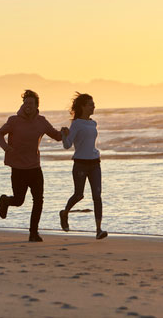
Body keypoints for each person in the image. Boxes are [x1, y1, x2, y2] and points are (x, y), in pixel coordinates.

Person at [0, 89, 64, 242]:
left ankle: (33, 233)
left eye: (31, 103)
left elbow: (57, 136)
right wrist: (5, 147)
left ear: (36, 105)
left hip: (35, 167)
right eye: (25, 103)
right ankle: (6, 201)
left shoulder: (42, 122)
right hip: (18, 168)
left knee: (38, 200)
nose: (28, 106)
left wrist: (66, 132)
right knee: (19, 201)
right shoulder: (14, 120)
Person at [59, 93, 107, 239]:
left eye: (93, 104)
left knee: (97, 196)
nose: (94, 106)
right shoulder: (77, 124)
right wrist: (63, 135)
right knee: (79, 194)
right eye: (90, 104)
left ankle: (98, 230)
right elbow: (67, 145)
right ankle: (65, 212)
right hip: (80, 163)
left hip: (95, 163)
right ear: (82, 107)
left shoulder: (93, 123)